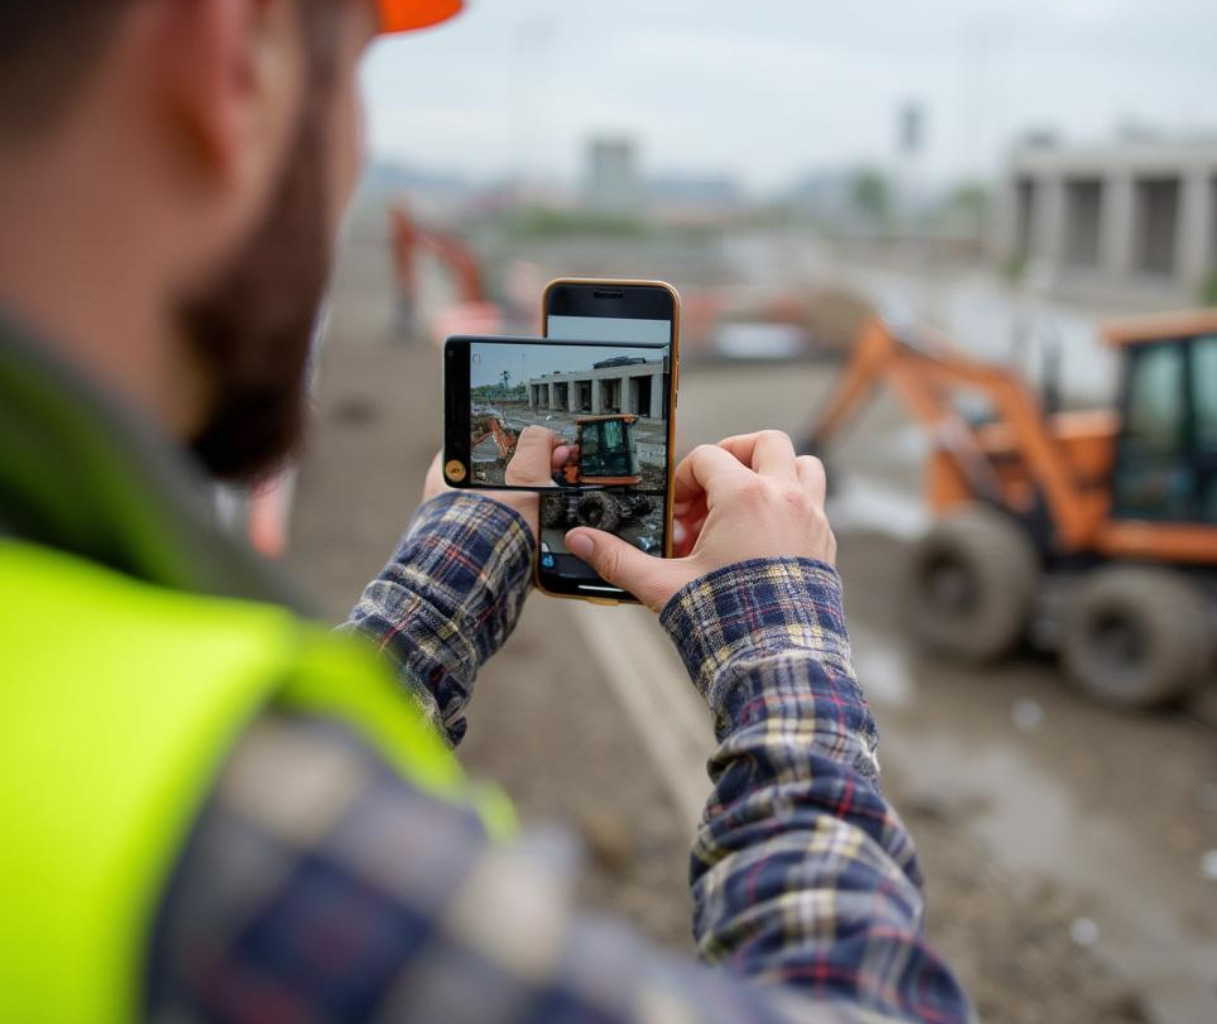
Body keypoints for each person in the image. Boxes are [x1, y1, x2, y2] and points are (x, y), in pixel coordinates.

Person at [0, 2, 974, 1022]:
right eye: (359, 74)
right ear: (235, 58)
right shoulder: (240, 842)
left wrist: (467, 541)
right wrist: (780, 630)